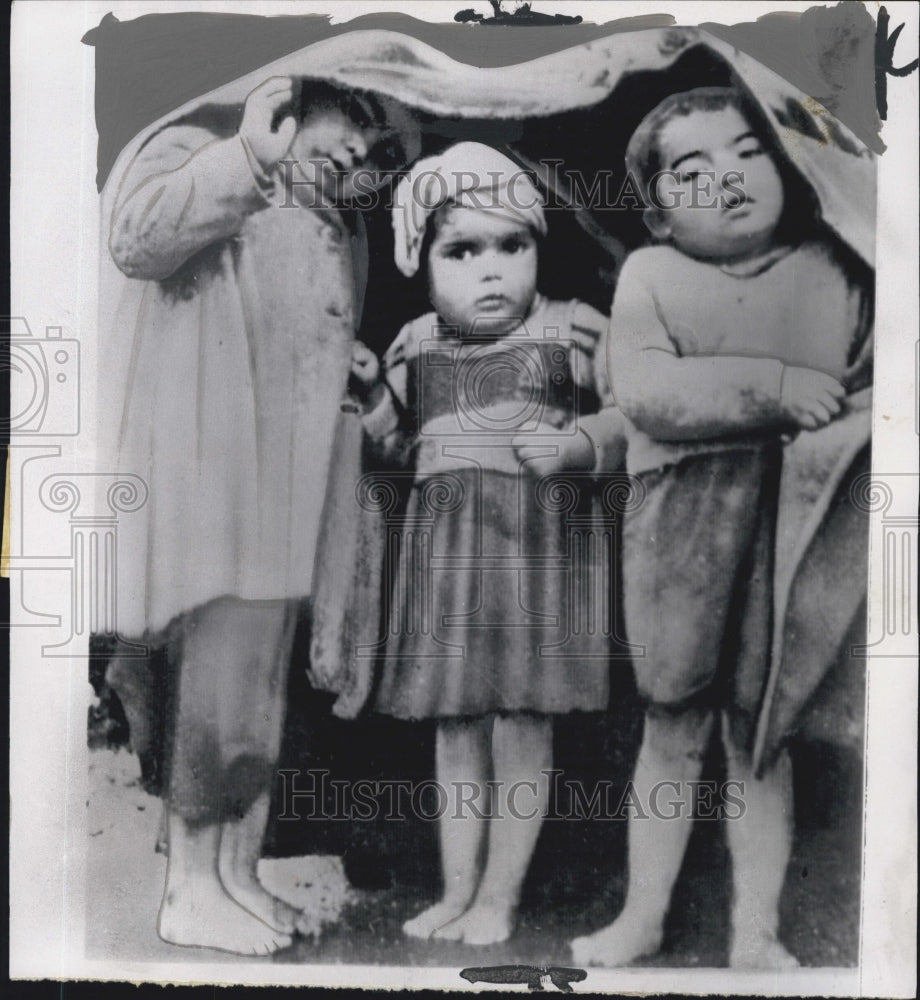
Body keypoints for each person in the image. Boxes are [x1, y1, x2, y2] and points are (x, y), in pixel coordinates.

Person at [104, 75, 418, 956]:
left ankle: (236, 872)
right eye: (354, 119)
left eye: (384, 149)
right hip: (216, 475)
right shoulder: (202, 146)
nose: (364, 151)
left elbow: (302, 337)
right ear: (290, 94)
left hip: (291, 489)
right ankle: (187, 888)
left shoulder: (338, 226)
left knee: (258, 696)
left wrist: (353, 371)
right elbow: (139, 239)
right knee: (214, 689)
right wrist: (247, 154)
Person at [569, 87, 873, 969]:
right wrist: (770, 386)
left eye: (748, 152)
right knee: (672, 720)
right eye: (692, 172)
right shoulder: (649, 278)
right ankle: (644, 915)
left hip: (794, 522)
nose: (728, 179)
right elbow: (650, 393)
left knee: (759, 726)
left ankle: (757, 933)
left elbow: (871, 387)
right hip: (681, 527)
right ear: (658, 215)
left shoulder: (838, 266)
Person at [350, 142, 627, 946]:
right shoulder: (417, 346)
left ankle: (501, 897)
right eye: (462, 250)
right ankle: (457, 889)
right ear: (423, 263)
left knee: (522, 723)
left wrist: (583, 445)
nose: (492, 269)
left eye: (513, 244)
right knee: (457, 729)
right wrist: (373, 393)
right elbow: (406, 453)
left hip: (541, 555)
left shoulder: (573, 332)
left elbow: (638, 417)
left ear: (540, 246)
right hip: (448, 563)